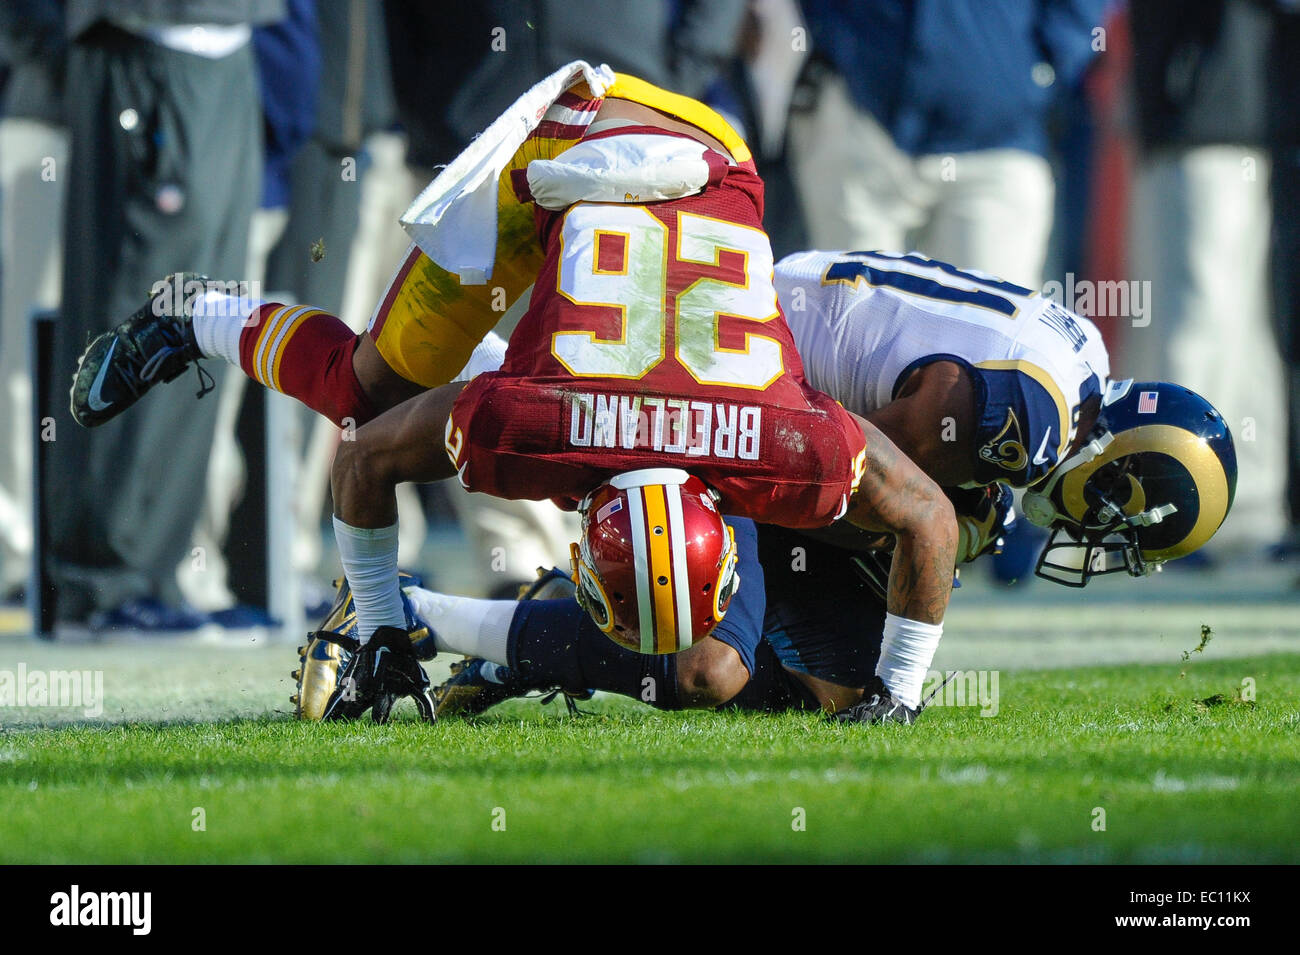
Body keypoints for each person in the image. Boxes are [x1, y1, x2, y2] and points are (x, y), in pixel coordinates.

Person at [71, 64, 960, 722]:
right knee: (362, 398)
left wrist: (900, 689)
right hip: (567, 152)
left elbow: (927, 517)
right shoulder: (529, 431)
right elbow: (364, 451)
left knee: (386, 408)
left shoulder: (724, 440)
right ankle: (199, 315)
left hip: (698, 151)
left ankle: (502, 365)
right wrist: (381, 628)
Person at [295, 249, 1238, 724]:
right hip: (725, 384)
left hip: (772, 367)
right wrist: (906, 538)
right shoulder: (1032, 420)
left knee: (833, 691)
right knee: (714, 668)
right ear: (1124, 474)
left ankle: (536, 635)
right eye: (1124, 530)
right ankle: (414, 616)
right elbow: (906, 443)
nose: (1101, 544)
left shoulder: (1077, 369)